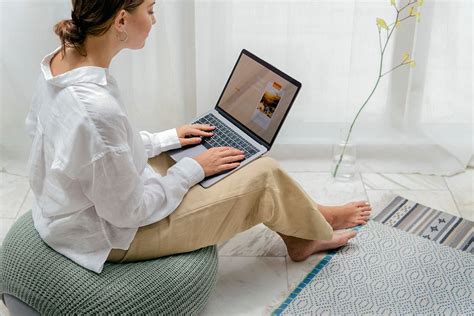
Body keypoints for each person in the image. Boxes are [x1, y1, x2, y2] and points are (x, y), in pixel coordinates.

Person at [25, 0, 372, 274]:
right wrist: (194, 170)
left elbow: (95, 148)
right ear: (120, 21)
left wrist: (167, 138)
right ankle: (307, 234)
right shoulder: (96, 108)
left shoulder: (59, 63)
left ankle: (311, 216)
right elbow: (129, 212)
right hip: (110, 237)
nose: (154, 19)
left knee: (183, 148)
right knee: (264, 175)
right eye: (150, 9)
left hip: (71, 213)